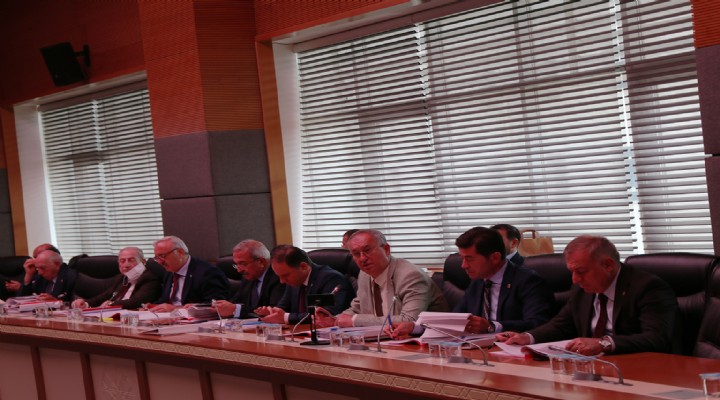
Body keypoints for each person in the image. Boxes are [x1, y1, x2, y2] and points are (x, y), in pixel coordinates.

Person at [497, 235, 678, 356]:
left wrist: (604, 343)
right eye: (572, 272)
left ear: (608, 265)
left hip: (639, 366)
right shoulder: (582, 289)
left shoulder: (647, 288)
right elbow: (562, 324)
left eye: (581, 272)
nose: (575, 279)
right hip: (592, 366)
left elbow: (656, 338)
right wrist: (527, 337)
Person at [389, 226, 554, 338]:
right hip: (479, 349)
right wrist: (415, 327)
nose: (463, 266)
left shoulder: (528, 280)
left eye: (469, 259)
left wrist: (492, 326)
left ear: (495, 257)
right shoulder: (479, 281)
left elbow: (539, 323)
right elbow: (455, 319)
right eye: (462, 258)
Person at [318, 229, 448, 328]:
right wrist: (334, 319)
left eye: (367, 250)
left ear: (386, 249)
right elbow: (358, 308)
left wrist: (354, 321)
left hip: (428, 343)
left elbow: (409, 320)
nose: (362, 258)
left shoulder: (410, 276)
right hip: (385, 339)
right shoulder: (364, 274)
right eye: (356, 254)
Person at [255, 245, 353, 325]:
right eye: (279, 276)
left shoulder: (331, 279)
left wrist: (285, 317)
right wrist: (271, 313)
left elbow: (324, 315)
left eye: (285, 275)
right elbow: (282, 308)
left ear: (303, 266)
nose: (282, 281)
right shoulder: (294, 281)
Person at [150, 236, 229, 312]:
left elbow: (215, 305)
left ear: (180, 252)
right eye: (157, 258)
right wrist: (152, 306)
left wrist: (177, 309)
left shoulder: (208, 272)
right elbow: (165, 299)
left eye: (162, 256)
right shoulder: (170, 271)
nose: (160, 262)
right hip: (169, 317)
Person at [212, 240, 285, 318]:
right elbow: (235, 302)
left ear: (261, 262)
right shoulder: (249, 277)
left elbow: (273, 310)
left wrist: (236, 310)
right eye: (237, 264)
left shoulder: (279, 276)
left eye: (243, 264)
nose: (239, 270)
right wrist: (221, 307)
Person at [71, 247, 162, 310]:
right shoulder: (121, 278)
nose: (126, 265)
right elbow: (104, 296)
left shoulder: (150, 278)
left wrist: (112, 304)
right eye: (122, 261)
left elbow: (136, 302)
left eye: (131, 260)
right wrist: (85, 303)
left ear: (143, 262)